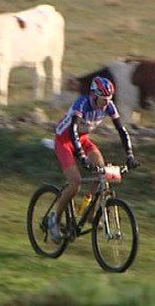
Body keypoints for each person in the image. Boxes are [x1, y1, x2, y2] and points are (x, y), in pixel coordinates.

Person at [48, 76, 139, 243]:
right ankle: (54, 218)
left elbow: (122, 131)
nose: (106, 103)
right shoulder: (82, 104)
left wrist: (130, 155)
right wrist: (81, 156)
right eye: (103, 100)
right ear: (93, 95)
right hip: (65, 141)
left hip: (82, 140)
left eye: (108, 100)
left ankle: (90, 213)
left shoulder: (109, 106)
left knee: (101, 171)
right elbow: (73, 130)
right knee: (75, 183)